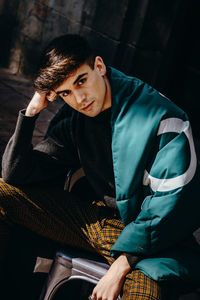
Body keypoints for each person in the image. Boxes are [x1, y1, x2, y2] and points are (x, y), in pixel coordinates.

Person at [0, 34, 200, 300]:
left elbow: (172, 207)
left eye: (81, 80)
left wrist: (120, 266)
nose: (80, 98)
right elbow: (16, 175)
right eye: (66, 93)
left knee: (143, 297)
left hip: (153, 245)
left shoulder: (163, 120)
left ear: (99, 66)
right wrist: (31, 113)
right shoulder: (76, 117)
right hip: (97, 224)